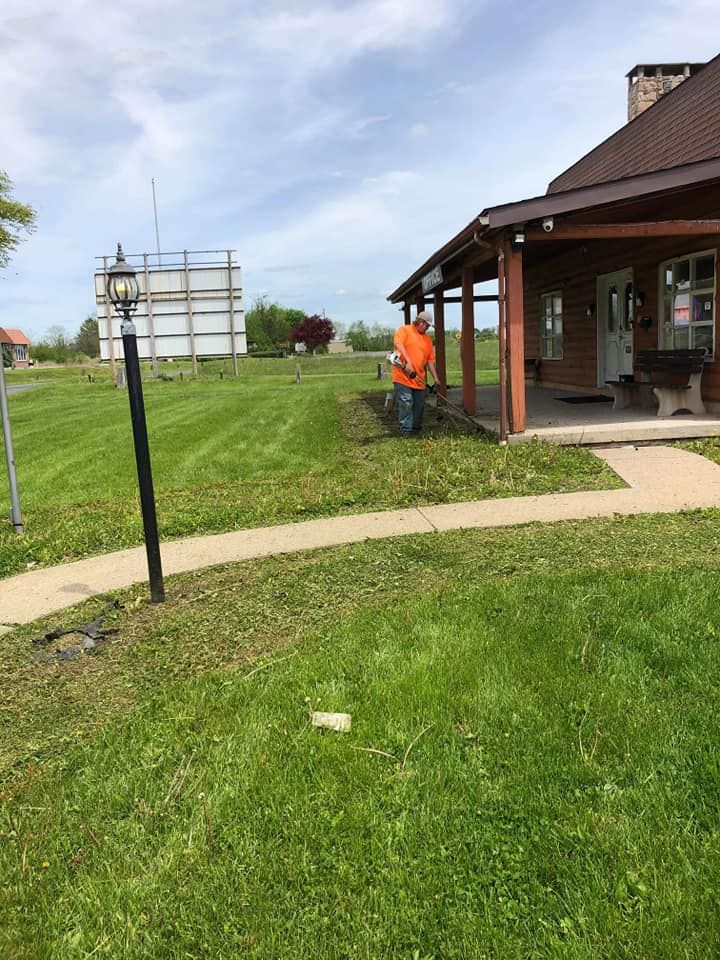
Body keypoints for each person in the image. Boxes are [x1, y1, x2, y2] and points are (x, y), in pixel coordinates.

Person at [391, 309, 439, 437]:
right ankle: (406, 431)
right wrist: (408, 362)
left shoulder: (427, 340)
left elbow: (430, 361)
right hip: (403, 376)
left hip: (419, 379)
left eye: (429, 326)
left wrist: (436, 379)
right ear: (420, 322)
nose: (428, 328)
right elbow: (398, 344)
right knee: (406, 402)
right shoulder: (404, 330)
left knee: (419, 405)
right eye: (427, 325)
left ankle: (416, 429)